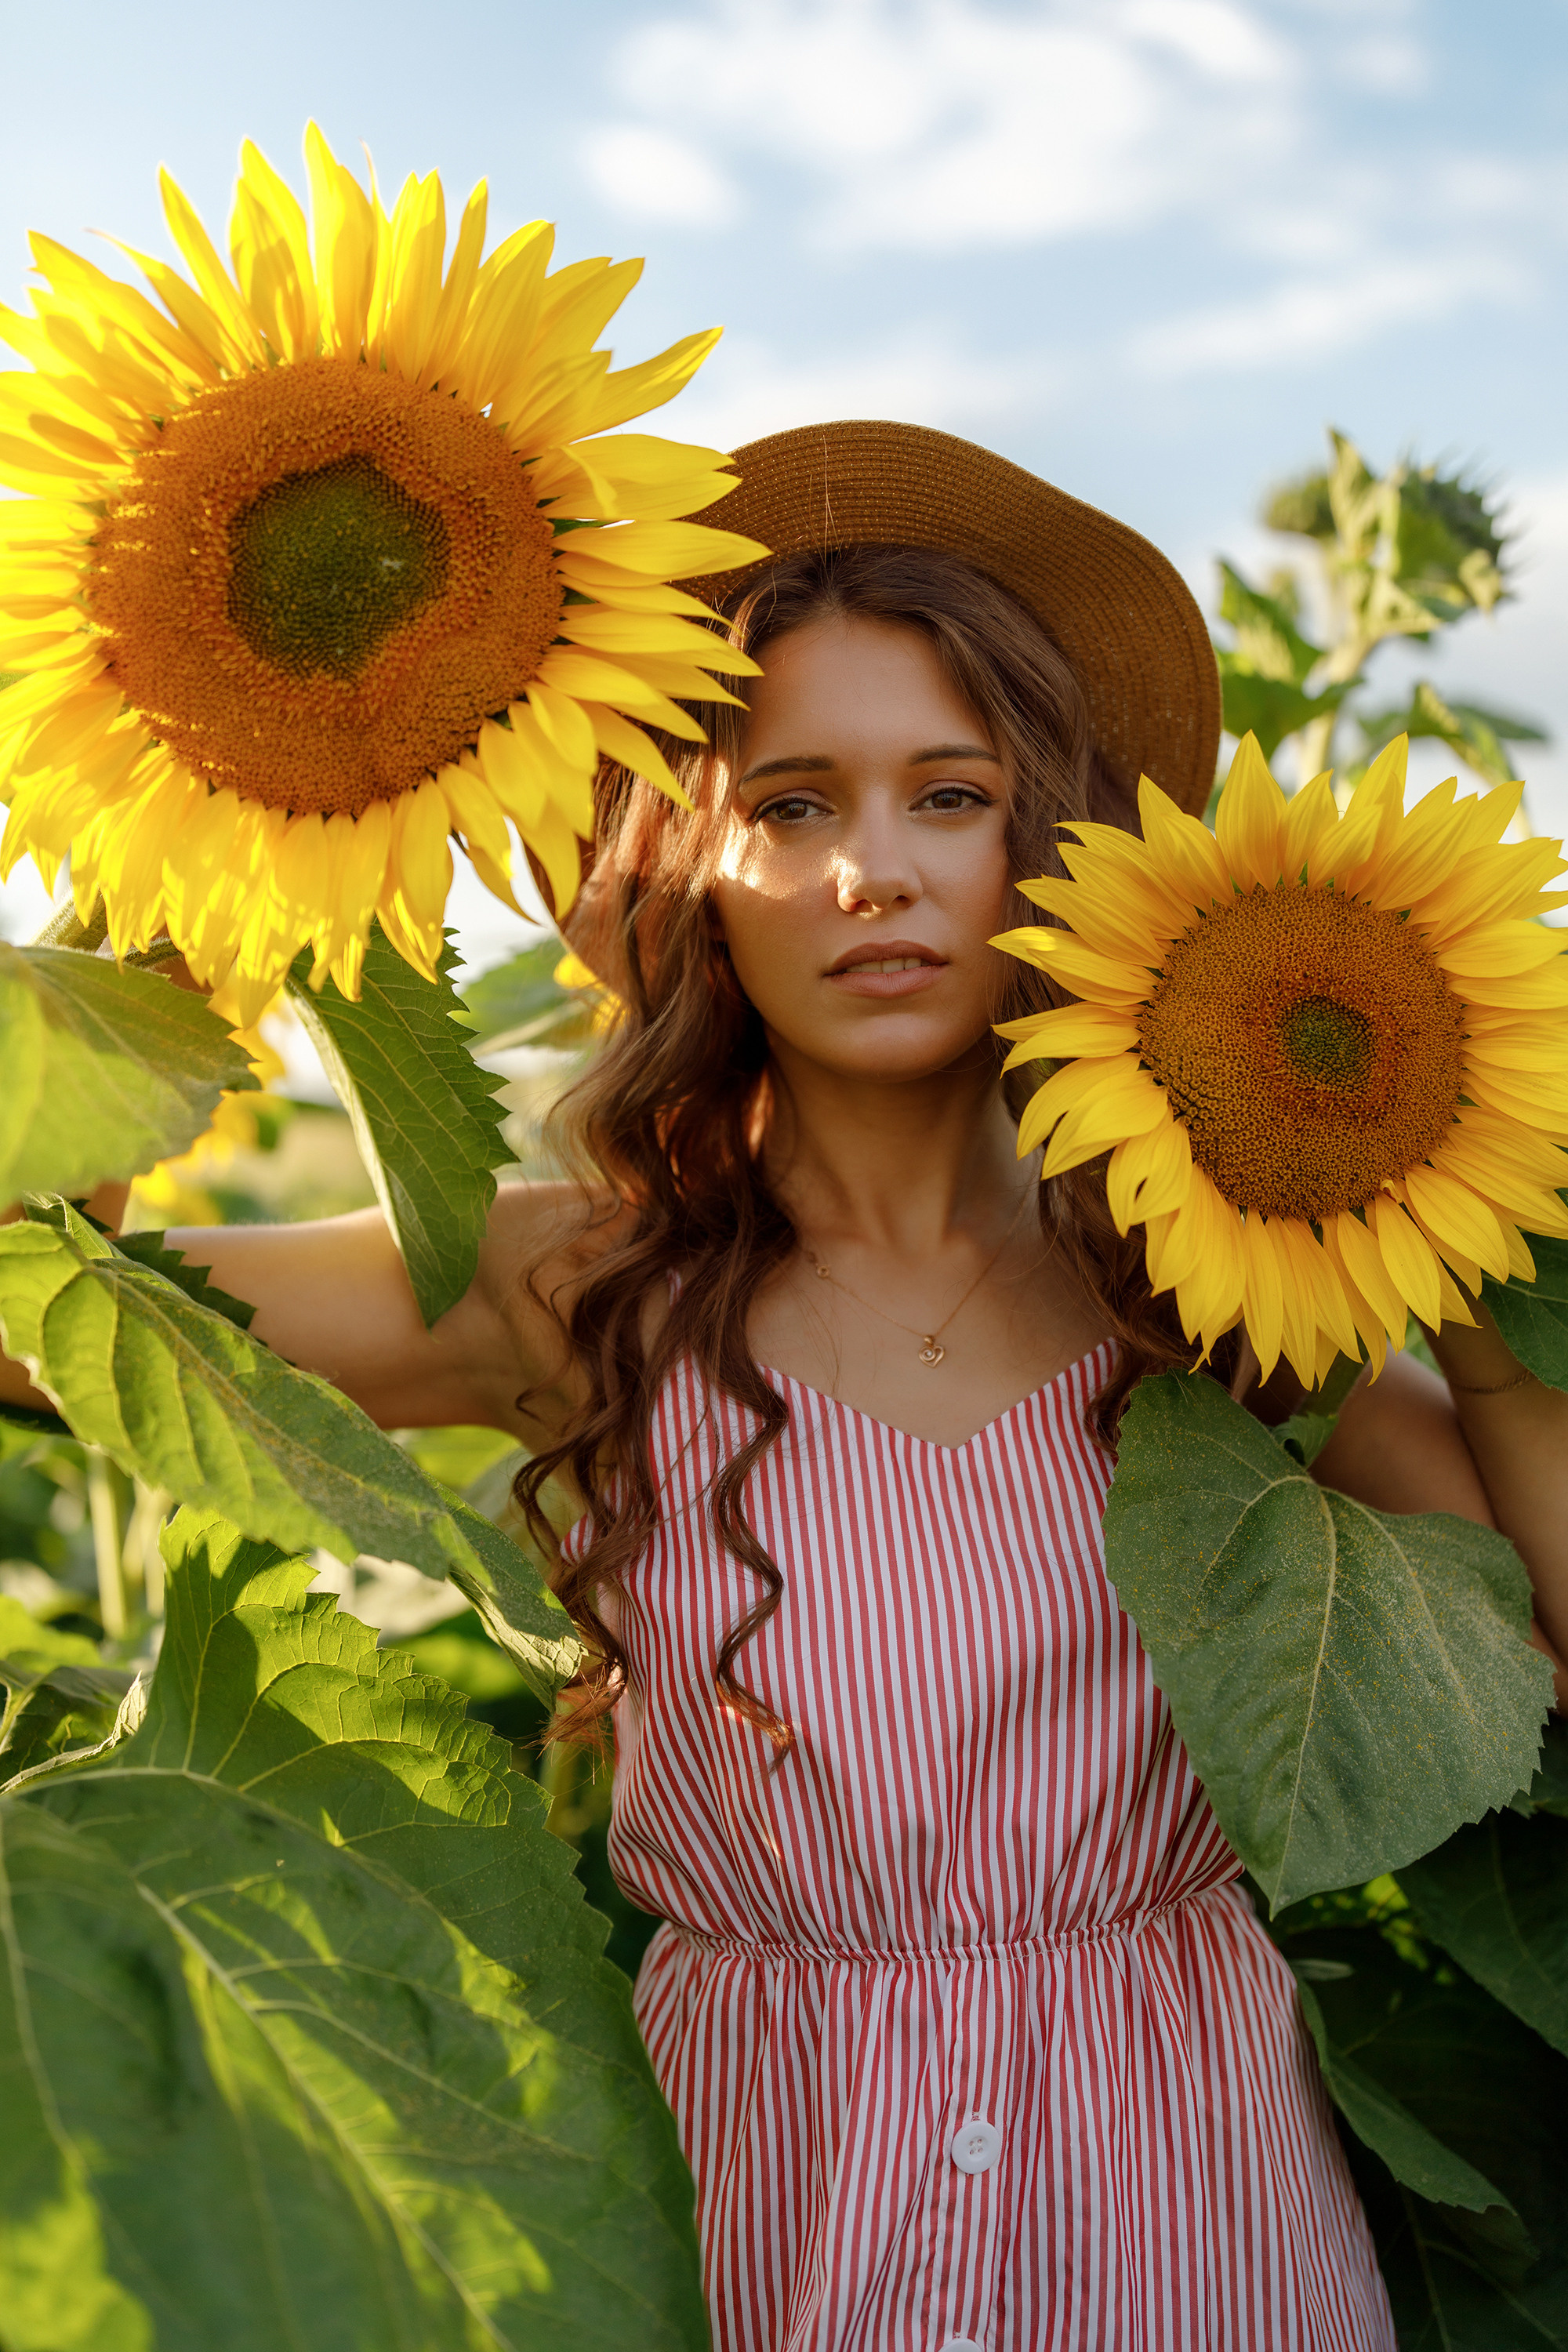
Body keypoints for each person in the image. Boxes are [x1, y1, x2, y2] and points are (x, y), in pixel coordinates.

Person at [8, 421, 1567, 2350]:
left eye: (949, 795)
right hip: (775, 2193)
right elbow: (38, 1318)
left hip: (1189, 2206)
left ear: (1050, 844)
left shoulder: (1206, 1293)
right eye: (797, 806)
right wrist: (201, 872)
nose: (873, 876)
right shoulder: (573, 1278)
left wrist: (1475, 1255)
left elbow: (1535, 1649)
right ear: (691, 868)